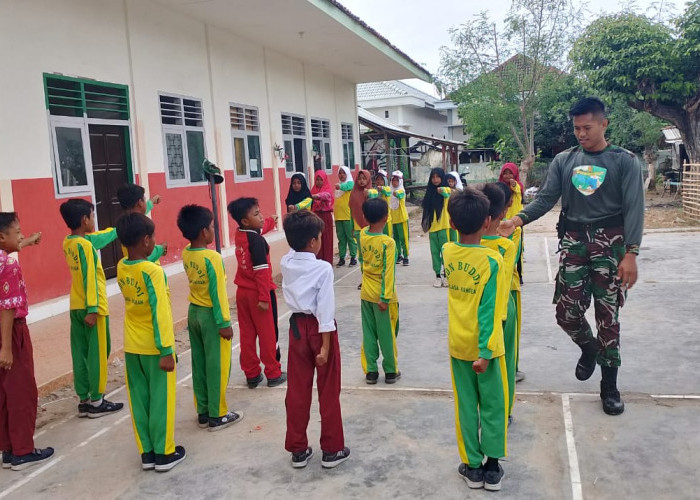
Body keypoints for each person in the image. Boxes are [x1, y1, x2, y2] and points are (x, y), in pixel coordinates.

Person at [499, 97, 644, 415]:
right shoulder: (564, 161)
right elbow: (546, 199)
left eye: (587, 127)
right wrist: (516, 220)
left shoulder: (624, 161)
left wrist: (631, 253)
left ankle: (609, 387)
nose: (581, 133)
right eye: (576, 128)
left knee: (609, 319)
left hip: (611, 246)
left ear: (604, 124)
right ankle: (588, 348)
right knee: (566, 314)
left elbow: (635, 208)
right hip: (574, 244)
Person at [443, 188, 508, 491]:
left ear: (451, 223)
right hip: (488, 349)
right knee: (493, 405)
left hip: (458, 345)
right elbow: (490, 311)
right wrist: (485, 352)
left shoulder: (447, 251)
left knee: (466, 406)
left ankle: (472, 466)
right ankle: (492, 468)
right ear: (487, 222)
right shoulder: (493, 261)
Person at [280, 210, 350, 469]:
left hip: (296, 327)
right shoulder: (323, 268)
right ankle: (332, 449)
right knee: (328, 389)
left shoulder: (285, 263)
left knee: (297, 390)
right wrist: (325, 345)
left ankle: (298, 449)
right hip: (320, 329)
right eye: (319, 237)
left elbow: (292, 250)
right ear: (313, 242)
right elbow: (325, 308)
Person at [116, 213, 185, 472]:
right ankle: (165, 452)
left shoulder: (123, 265)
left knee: (139, 400)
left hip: (132, 346)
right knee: (161, 401)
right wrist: (167, 350)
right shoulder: (153, 272)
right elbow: (161, 312)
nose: (154, 242)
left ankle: (146, 452)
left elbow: (139, 264)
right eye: (152, 238)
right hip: (155, 347)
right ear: (146, 240)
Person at [177, 205, 243, 431]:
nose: (214, 230)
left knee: (200, 363)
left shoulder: (187, 253)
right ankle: (218, 414)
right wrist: (225, 322)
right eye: (212, 227)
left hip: (193, 312)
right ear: (204, 231)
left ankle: (203, 410)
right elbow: (218, 293)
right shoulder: (212, 258)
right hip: (211, 316)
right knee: (217, 365)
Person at [59, 199, 124, 418]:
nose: (94, 220)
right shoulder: (86, 246)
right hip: (91, 307)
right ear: (85, 219)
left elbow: (100, 237)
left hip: (75, 306)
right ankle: (97, 400)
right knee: (97, 353)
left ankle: (84, 399)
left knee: (80, 353)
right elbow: (89, 278)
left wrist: (117, 230)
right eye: (92, 216)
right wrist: (93, 308)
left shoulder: (69, 243)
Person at [0, 214, 54, 471]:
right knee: (22, 390)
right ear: (2, 237)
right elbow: (7, 308)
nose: (22, 236)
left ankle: (9, 448)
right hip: (12, 332)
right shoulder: (9, 266)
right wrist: (8, 348)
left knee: (5, 391)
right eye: (18, 232)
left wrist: (29, 241)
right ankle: (23, 450)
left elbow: (16, 245)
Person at [228, 197, 286, 388]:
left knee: (247, 334)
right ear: (245, 220)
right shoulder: (258, 241)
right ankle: (273, 373)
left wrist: (270, 221)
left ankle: (252, 374)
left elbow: (258, 229)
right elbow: (261, 271)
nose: (261, 216)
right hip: (259, 293)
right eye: (256, 214)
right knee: (268, 334)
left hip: (242, 293)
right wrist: (263, 297)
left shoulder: (240, 233)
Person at [480, 184, 518, 423]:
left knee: (481, 360)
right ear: (503, 212)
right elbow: (503, 285)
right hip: (502, 309)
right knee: (505, 361)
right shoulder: (506, 245)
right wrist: (501, 315)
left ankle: (484, 406)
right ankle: (504, 410)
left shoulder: (466, 242)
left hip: (477, 309)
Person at [358, 198, 400, 384]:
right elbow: (388, 272)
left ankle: (371, 371)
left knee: (368, 333)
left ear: (365, 218)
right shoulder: (388, 243)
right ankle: (391, 371)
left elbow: (361, 261)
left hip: (366, 293)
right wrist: (385, 297)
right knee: (387, 334)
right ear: (386, 217)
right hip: (383, 297)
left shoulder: (362, 235)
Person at [116, 184, 167, 262]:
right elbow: (144, 257)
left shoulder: (126, 222)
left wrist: (152, 201)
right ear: (140, 202)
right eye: (144, 199)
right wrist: (161, 249)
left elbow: (140, 211)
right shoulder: (138, 226)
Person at [421, 167, 452, 288]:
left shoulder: (446, 190)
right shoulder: (429, 192)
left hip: (444, 227)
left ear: (442, 177)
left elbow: (447, 192)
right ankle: (438, 276)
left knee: (446, 253)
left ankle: (447, 275)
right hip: (433, 228)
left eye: (438, 177)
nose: (435, 179)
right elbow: (426, 209)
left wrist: (441, 190)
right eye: (433, 177)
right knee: (435, 253)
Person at [499, 163, 525, 292]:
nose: (508, 176)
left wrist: (513, 184)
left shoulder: (517, 186)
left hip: (517, 221)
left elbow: (517, 189)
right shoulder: (500, 188)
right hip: (503, 221)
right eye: (505, 173)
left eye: (510, 173)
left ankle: (519, 274)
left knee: (517, 250)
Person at [334, 166, 356, 267]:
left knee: (350, 237)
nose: (341, 175)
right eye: (340, 173)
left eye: (343, 173)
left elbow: (348, 187)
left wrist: (340, 186)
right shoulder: (338, 187)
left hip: (347, 216)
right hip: (339, 217)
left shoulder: (350, 183)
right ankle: (342, 258)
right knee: (341, 239)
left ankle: (353, 257)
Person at [310, 170, 335, 264]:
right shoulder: (313, 190)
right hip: (316, 217)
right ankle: (318, 262)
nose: (319, 182)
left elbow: (327, 195)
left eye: (321, 180)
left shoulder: (327, 189)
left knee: (327, 240)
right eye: (317, 179)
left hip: (326, 217)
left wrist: (317, 196)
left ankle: (327, 262)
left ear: (324, 180)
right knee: (317, 238)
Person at [390, 170, 409, 265]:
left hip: (401, 218)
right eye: (393, 180)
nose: (394, 182)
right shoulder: (390, 190)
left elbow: (400, 194)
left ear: (400, 182)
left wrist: (396, 193)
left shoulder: (401, 190)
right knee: (396, 238)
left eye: (396, 181)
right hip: (393, 218)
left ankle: (406, 256)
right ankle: (398, 255)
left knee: (403, 238)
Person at [372, 170, 393, 238]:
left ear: (385, 181)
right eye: (377, 179)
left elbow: (386, 191)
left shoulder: (388, 189)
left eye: (381, 179)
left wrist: (381, 188)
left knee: (388, 238)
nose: (379, 181)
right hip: (377, 220)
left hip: (386, 220)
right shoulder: (375, 191)